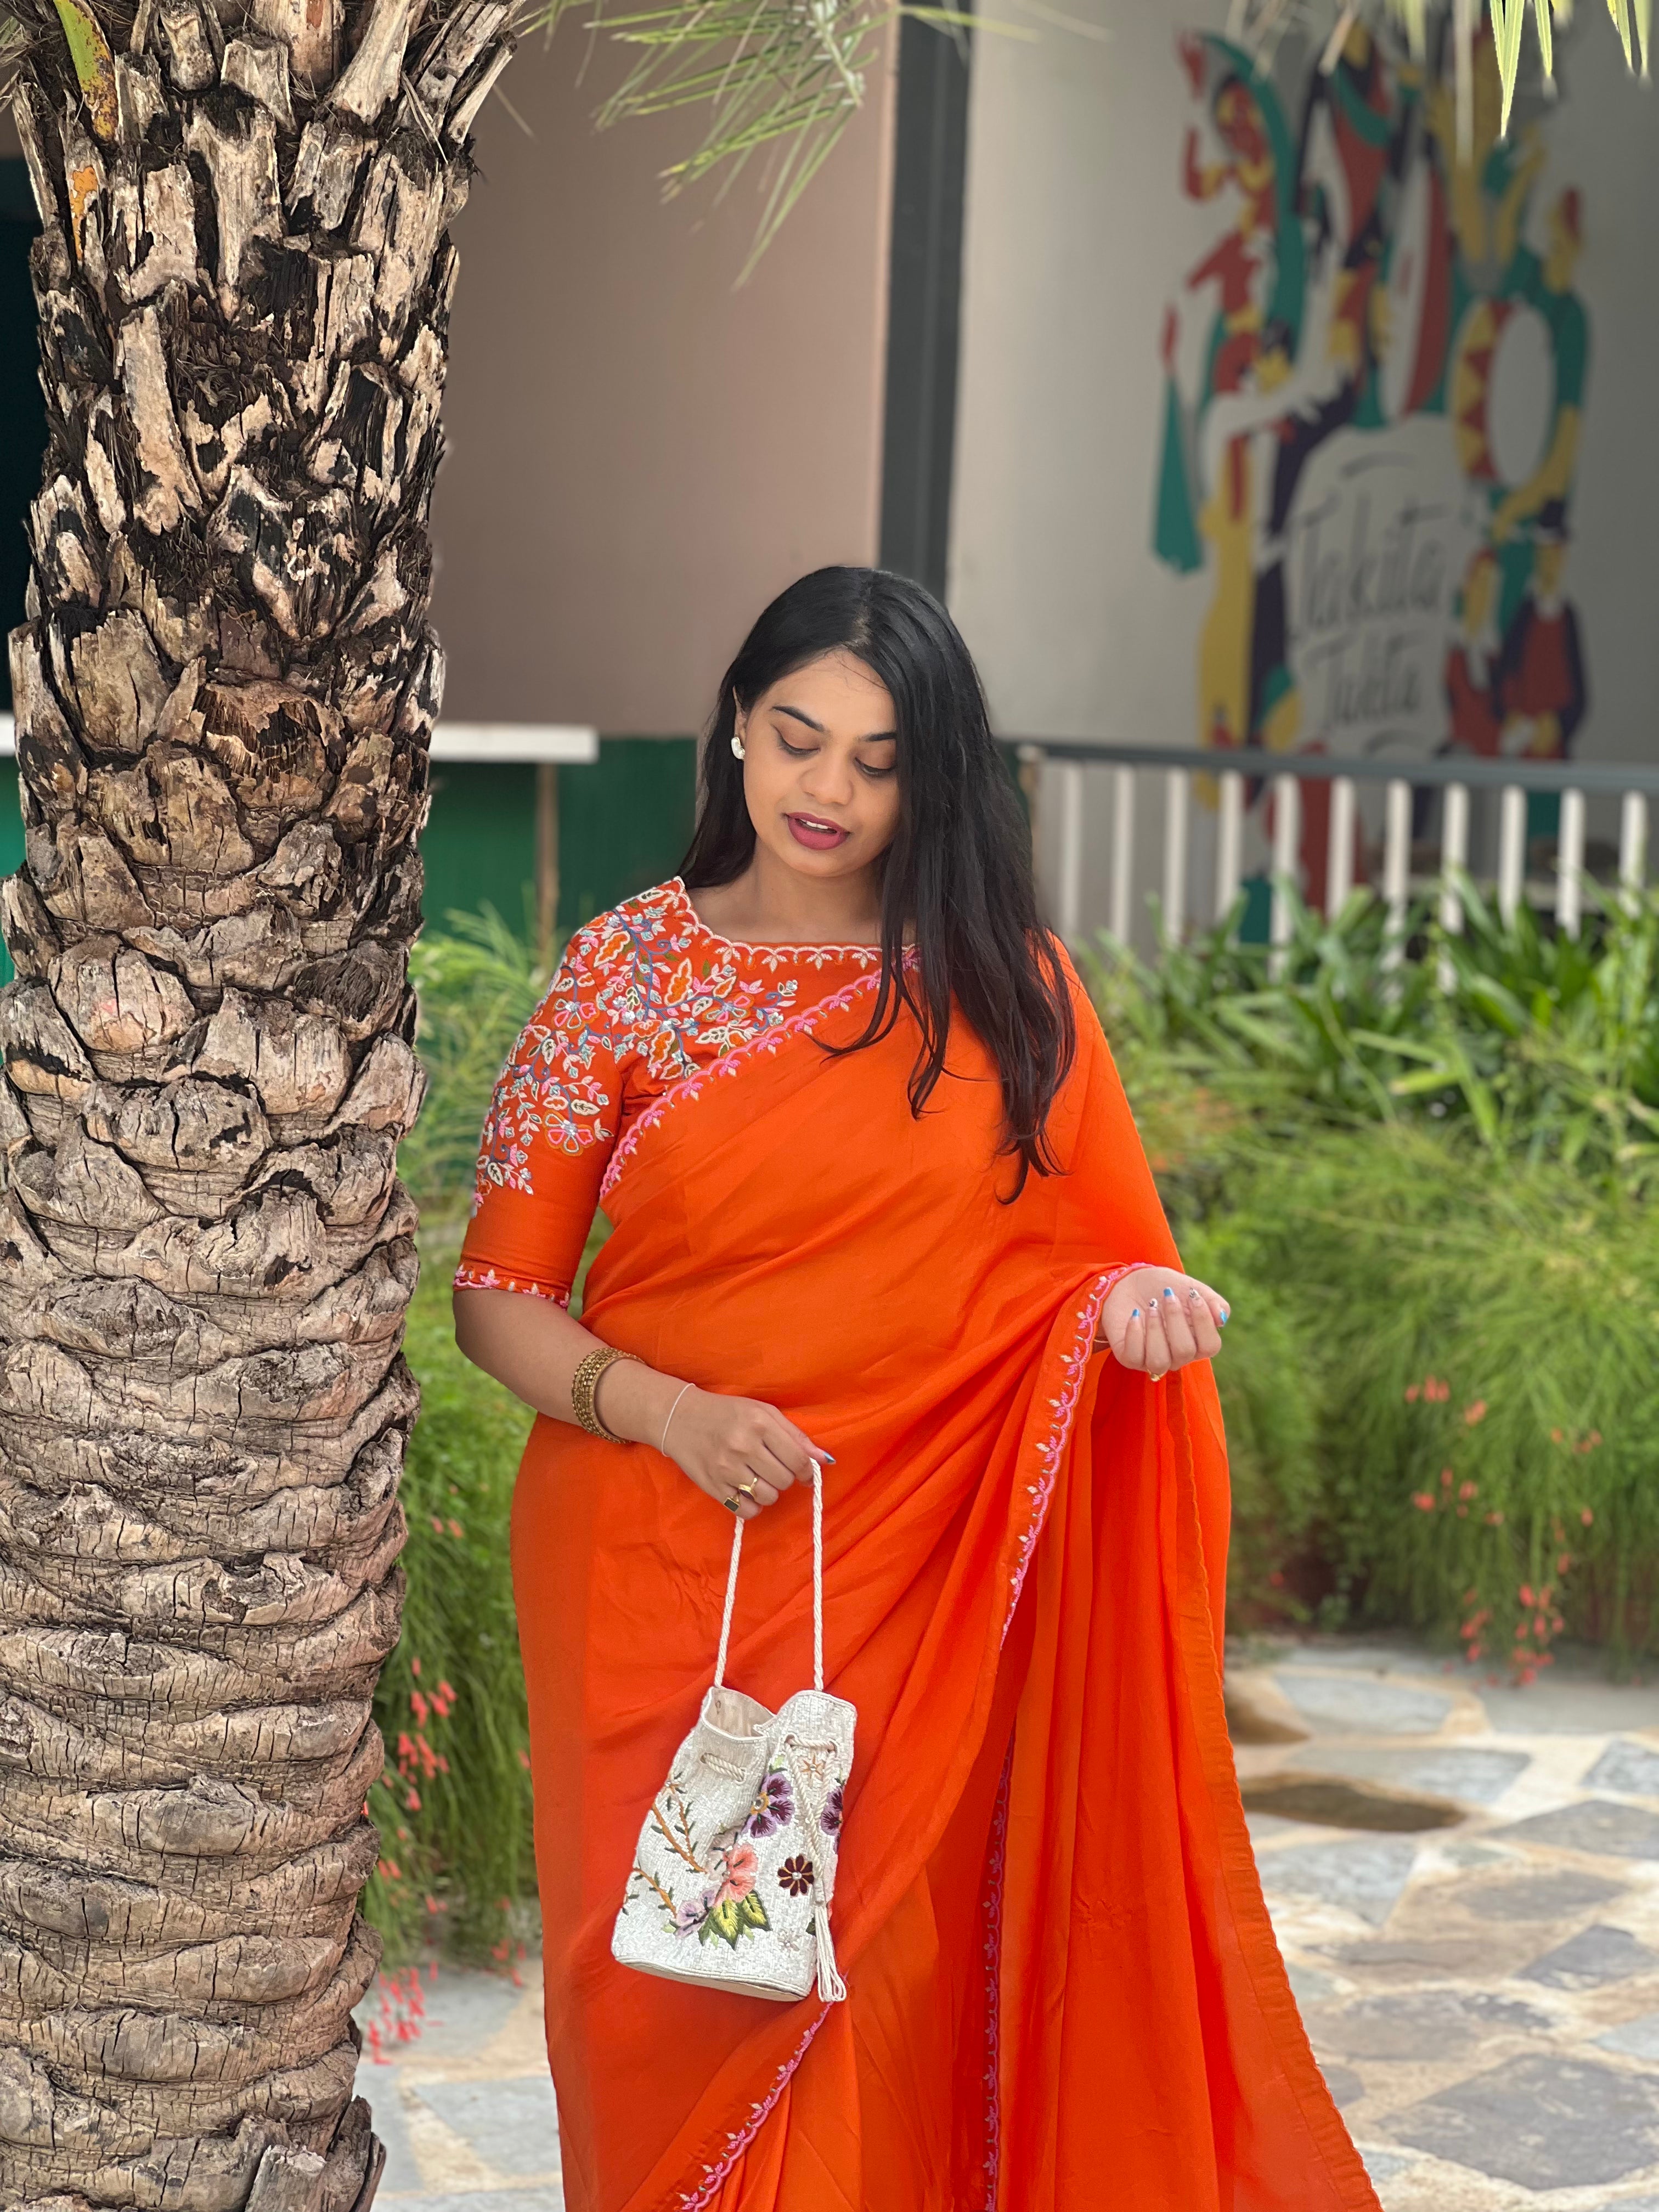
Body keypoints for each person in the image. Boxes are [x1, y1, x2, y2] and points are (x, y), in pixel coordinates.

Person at [452, 567, 1379, 2212]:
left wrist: (1139, 1303)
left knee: (876, 1977)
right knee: (662, 1988)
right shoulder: (624, 977)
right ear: (735, 724)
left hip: (915, 1576)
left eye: (880, 761)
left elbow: (1087, 1267)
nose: (828, 790)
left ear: (931, 777)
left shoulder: (1004, 990)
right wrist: (666, 1410)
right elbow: (497, 1300)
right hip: (655, 1561)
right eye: (799, 738)